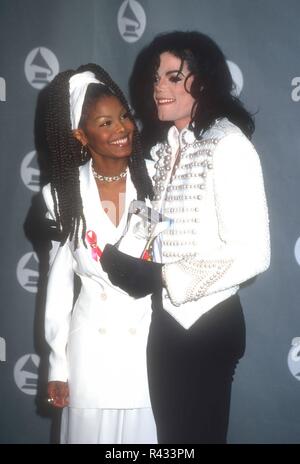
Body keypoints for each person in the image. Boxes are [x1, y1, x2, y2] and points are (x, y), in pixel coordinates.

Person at [101, 31, 270, 444]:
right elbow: (151, 220)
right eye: (157, 77)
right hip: (165, 324)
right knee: (170, 443)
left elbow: (253, 253)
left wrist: (161, 277)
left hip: (210, 326)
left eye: (174, 77)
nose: (159, 86)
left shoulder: (229, 145)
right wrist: (113, 255)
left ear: (204, 83)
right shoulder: (164, 150)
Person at [42, 63, 158, 444]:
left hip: (148, 348)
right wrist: (58, 362)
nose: (122, 129)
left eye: (123, 117)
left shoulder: (158, 178)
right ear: (80, 135)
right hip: (91, 353)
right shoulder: (61, 194)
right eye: (105, 123)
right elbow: (59, 283)